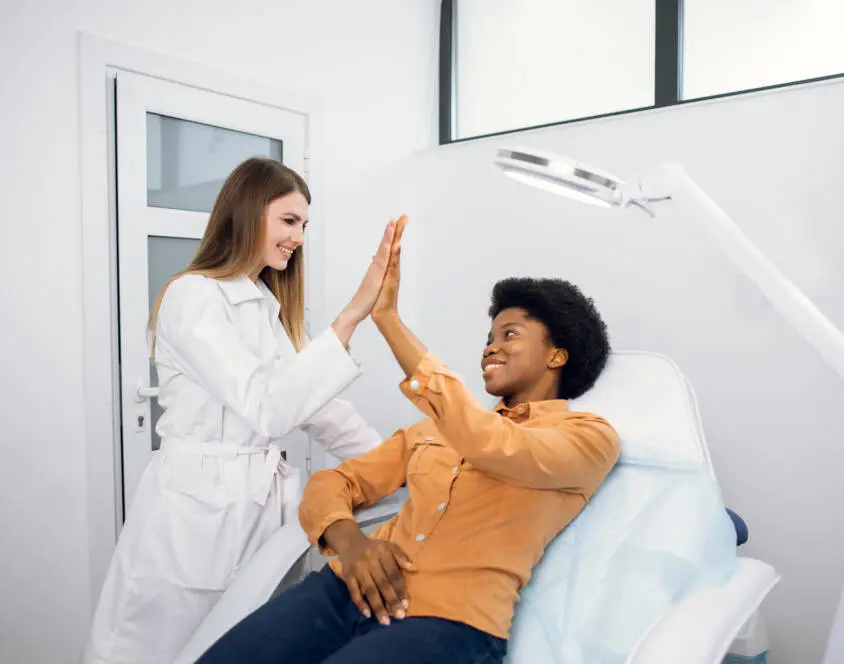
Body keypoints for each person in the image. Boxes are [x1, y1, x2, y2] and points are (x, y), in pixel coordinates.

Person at [195, 216, 621, 664]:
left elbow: (491, 445)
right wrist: (352, 544)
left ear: (557, 355)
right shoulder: (434, 430)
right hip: (345, 590)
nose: (490, 348)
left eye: (509, 335)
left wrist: (387, 320)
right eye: (489, 338)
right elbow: (336, 482)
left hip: (451, 624)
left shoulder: (589, 438)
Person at [83, 158, 396, 664]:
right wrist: (351, 316)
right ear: (249, 212)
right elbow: (267, 409)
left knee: (241, 648)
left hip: (257, 510)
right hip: (195, 512)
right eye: (289, 221)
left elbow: (321, 411)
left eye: (304, 225)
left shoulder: (265, 306)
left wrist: (404, 467)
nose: (298, 238)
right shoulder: (193, 296)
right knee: (158, 649)